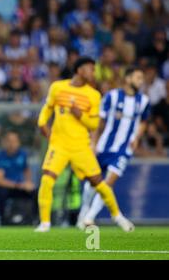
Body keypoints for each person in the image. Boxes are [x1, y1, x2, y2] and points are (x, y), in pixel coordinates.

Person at [35, 57, 134, 232]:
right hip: (59, 145)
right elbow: (47, 109)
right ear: (80, 70)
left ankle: (118, 216)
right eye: (90, 68)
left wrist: (79, 115)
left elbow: (94, 124)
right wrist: (43, 125)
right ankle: (45, 223)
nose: (93, 73)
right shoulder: (58, 87)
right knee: (47, 179)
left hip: (81, 147)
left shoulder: (93, 95)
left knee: (99, 183)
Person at [78, 67, 150, 228]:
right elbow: (100, 121)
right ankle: (84, 212)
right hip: (104, 146)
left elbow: (144, 121)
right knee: (93, 182)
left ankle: (89, 217)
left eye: (142, 78)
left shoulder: (143, 101)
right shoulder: (112, 96)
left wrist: (137, 137)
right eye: (138, 77)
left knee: (108, 182)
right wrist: (94, 142)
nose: (141, 81)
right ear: (128, 78)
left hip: (124, 149)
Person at [0, 131, 36, 225]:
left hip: (20, 186)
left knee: (35, 191)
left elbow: (26, 170)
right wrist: (18, 185)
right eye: (9, 141)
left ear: (19, 142)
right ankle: (3, 221)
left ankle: (34, 220)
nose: (12, 144)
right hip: (7, 187)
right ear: (5, 142)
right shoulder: (0, 156)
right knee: (1, 192)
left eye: (14, 141)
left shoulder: (22, 155)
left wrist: (28, 182)